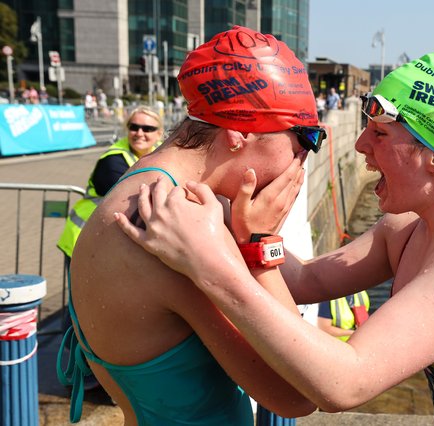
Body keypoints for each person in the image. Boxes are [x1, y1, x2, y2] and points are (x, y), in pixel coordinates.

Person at [115, 51, 434, 424]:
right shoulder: (408, 229)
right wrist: (246, 226)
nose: (360, 145)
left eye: (381, 133)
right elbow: (305, 280)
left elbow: (345, 383)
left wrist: (211, 266)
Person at [57, 26, 325, 424]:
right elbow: (300, 392)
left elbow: (311, 279)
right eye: (304, 138)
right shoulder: (177, 230)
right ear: (240, 133)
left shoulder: (141, 189)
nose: (303, 158)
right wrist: (262, 243)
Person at [57, 106, 164, 262]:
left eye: (147, 128)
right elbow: (134, 203)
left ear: (159, 134)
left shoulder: (158, 154)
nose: (139, 133)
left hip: (108, 240)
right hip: (85, 240)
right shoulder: (113, 160)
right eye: (134, 127)